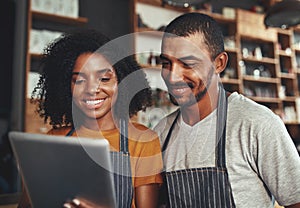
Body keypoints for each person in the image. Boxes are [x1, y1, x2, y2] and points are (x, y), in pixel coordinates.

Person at [154, 12, 300, 208]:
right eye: (166, 63)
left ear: (219, 63)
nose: (172, 77)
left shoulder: (256, 123)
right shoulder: (162, 133)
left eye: (187, 64)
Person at [18, 29, 163, 208]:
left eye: (104, 78)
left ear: (121, 82)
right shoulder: (53, 139)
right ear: (67, 87)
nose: (91, 89)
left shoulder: (142, 140)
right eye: (79, 80)